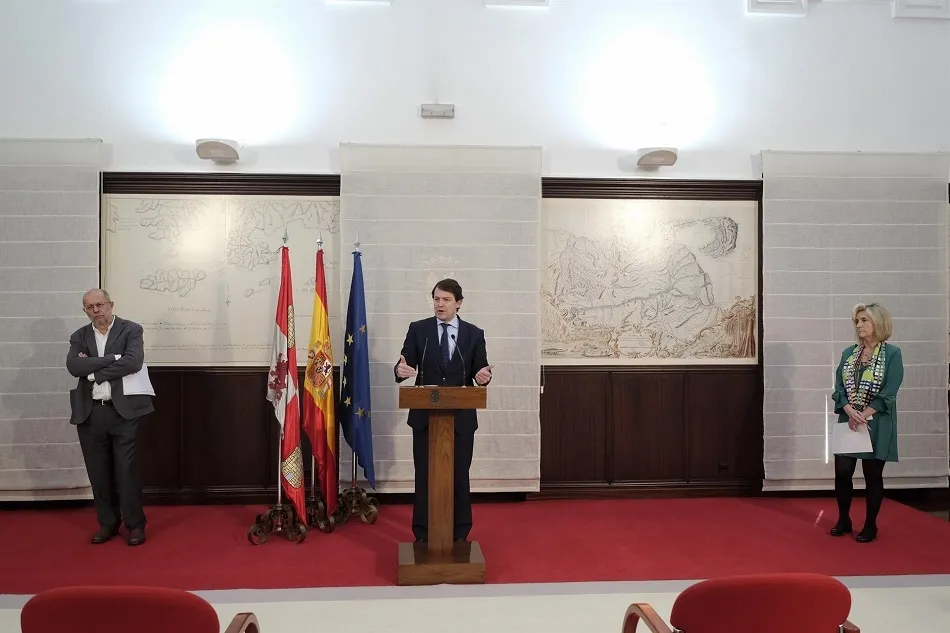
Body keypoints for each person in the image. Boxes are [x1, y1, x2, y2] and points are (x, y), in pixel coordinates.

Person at [393, 279, 493, 543]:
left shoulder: (474, 334)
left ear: (458, 303)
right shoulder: (419, 329)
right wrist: (399, 370)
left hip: (461, 419)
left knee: (459, 476)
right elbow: (404, 363)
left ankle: (460, 533)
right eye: (436, 299)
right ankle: (423, 534)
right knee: (425, 475)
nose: (440, 304)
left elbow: (480, 369)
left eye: (446, 300)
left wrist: (483, 376)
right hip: (425, 419)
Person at [66, 289, 154, 546]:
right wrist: (112, 359)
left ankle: (135, 525)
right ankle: (108, 523)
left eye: (100, 304)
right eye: (90, 307)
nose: (96, 310)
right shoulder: (79, 336)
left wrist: (95, 372)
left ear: (110, 304)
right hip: (91, 412)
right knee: (98, 473)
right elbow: (74, 366)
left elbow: (133, 362)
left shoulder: (131, 330)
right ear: (85, 310)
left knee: (126, 472)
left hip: (124, 412)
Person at [830, 302, 903, 543]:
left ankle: (871, 525)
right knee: (842, 472)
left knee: (872, 474)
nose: (858, 325)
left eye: (864, 320)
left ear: (878, 323)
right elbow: (839, 389)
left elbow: (890, 391)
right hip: (849, 417)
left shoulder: (892, 354)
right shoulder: (848, 353)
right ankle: (844, 519)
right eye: (857, 321)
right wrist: (849, 410)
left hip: (876, 421)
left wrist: (864, 413)